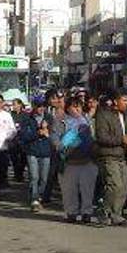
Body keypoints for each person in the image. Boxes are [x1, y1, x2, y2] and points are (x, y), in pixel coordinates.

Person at [52, 96, 99, 224]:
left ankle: (87, 213)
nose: (77, 108)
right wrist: (63, 146)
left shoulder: (89, 121)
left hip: (88, 161)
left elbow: (96, 137)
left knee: (87, 189)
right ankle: (71, 212)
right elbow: (55, 138)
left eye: (79, 105)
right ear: (67, 108)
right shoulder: (61, 121)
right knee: (69, 190)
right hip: (68, 162)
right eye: (74, 105)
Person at [94, 90, 127, 226]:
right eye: (124, 100)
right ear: (116, 101)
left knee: (124, 186)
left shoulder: (124, 116)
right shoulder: (103, 115)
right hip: (109, 155)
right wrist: (121, 139)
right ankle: (104, 210)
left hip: (123, 155)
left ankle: (116, 214)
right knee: (114, 184)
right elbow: (102, 137)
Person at [17, 99, 53, 212]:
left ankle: (39, 197)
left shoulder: (49, 118)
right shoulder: (27, 118)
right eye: (38, 106)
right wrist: (37, 133)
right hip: (32, 151)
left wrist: (48, 132)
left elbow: (54, 134)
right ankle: (34, 200)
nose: (41, 108)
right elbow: (23, 135)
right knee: (34, 177)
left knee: (44, 179)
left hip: (46, 152)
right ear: (34, 106)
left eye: (43, 106)